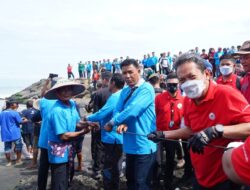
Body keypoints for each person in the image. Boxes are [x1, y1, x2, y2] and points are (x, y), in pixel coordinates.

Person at [148, 53, 250, 189]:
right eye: (182, 80)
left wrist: (216, 131)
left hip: (225, 177)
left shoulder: (226, 94)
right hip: (200, 175)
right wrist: (163, 134)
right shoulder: (189, 101)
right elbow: (191, 129)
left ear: (207, 74)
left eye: (192, 77)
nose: (187, 83)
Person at [104, 59, 157, 190]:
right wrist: (122, 121)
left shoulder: (147, 89)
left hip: (144, 145)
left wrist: (113, 122)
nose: (127, 76)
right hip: (129, 145)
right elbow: (118, 109)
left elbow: (133, 109)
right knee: (131, 181)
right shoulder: (125, 91)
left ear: (139, 71)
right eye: (124, 73)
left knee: (142, 184)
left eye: (130, 72)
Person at [44, 78, 89, 190]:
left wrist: (89, 123)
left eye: (68, 89)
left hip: (69, 149)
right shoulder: (57, 111)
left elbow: (77, 122)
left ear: (72, 91)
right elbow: (63, 136)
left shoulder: (72, 104)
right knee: (59, 182)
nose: (65, 93)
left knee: (68, 177)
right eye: (61, 90)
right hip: (59, 152)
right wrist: (82, 132)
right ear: (57, 93)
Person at [86, 73, 125, 190]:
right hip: (119, 137)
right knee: (116, 166)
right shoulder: (123, 95)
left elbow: (102, 113)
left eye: (109, 82)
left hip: (111, 138)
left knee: (108, 167)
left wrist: (86, 118)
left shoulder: (115, 96)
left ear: (112, 83)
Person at [154, 72, 190, 189]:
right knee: (157, 161)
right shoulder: (159, 98)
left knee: (170, 160)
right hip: (159, 134)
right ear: (165, 84)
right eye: (170, 84)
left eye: (175, 84)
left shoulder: (184, 100)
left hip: (173, 135)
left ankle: (168, 182)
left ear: (178, 84)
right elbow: (153, 115)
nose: (172, 86)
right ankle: (156, 182)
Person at [91, 71, 112, 179]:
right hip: (113, 125)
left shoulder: (99, 93)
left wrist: (95, 124)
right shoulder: (118, 93)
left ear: (104, 80)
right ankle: (108, 169)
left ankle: (97, 170)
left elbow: (96, 112)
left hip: (101, 125)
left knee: (99, 147)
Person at [0, 101, 25, 166]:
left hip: (5, 134)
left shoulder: (1, 113)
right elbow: (20, 121)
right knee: (18, 146)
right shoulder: (14, 113)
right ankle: (18, 160)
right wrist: (25, 120)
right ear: (11, 105)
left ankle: (9, 162)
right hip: (15, 133)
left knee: (7, 148)